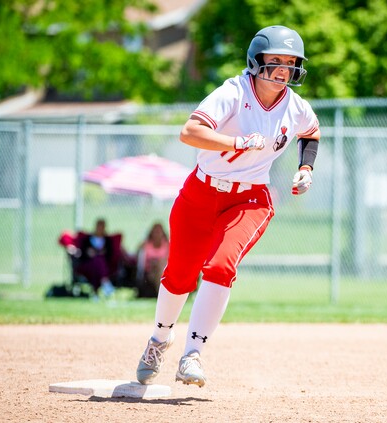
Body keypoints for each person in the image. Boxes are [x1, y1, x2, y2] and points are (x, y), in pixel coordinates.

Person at [136, 25, 320, 388]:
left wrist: (305, 168)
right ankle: (159, 340)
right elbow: (189, 132)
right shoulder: (233, 92)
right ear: (256, 60)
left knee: (220, 266)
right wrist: (236, 141)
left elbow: (311, 132)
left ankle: (192, 354)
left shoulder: (296, 106)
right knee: (180, 276)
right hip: (201, 193)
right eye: (275, 60)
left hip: (249, 198)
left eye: (290, 62)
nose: (283, 69)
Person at [74, 218, 116, 298]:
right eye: (99, 226)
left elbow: (110, 255)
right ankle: (105, 282)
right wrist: (88, 253)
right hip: (88, 264)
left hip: (102, 266)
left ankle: (95, 294)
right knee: (96, 261)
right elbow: (82, 253)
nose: (100, 228)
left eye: (102, 226)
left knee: (98, 261)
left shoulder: (107, 240)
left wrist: (102, 253)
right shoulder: (87, 239)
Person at [135, 222, 170, 298]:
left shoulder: (167, 245)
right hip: (150, 271)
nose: (157, 233)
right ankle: (162, 294)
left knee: (160, 265)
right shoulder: (146, 244)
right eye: (155, 231)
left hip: (163, 270)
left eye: (159, 231)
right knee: (157, 267)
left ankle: (161, 293)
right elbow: (137, 255)